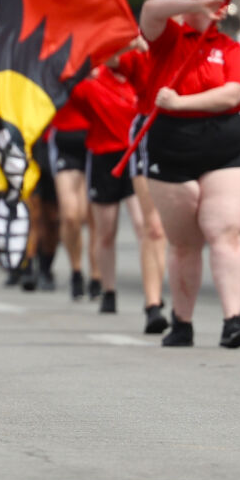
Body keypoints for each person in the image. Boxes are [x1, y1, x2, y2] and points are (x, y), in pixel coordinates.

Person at [136, 0, 240, 348]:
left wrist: (181, 101)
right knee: (184, 242)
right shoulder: (168, 37)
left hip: (223, 142)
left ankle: (233, 320)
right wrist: (197, 1)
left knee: (226, 231)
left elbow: (234, 93)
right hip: (172, 145)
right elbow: (151, 10)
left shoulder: (230, 48)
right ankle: (182, 321)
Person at [69, 45, 143, 316]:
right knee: (106, 231)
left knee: (146, 226)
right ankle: (108, 290)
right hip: (104, 160)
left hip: (135, 158)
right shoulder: (93, 84)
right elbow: (68, 88)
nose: (120, 55)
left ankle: (153, 297)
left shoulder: (139, 80)